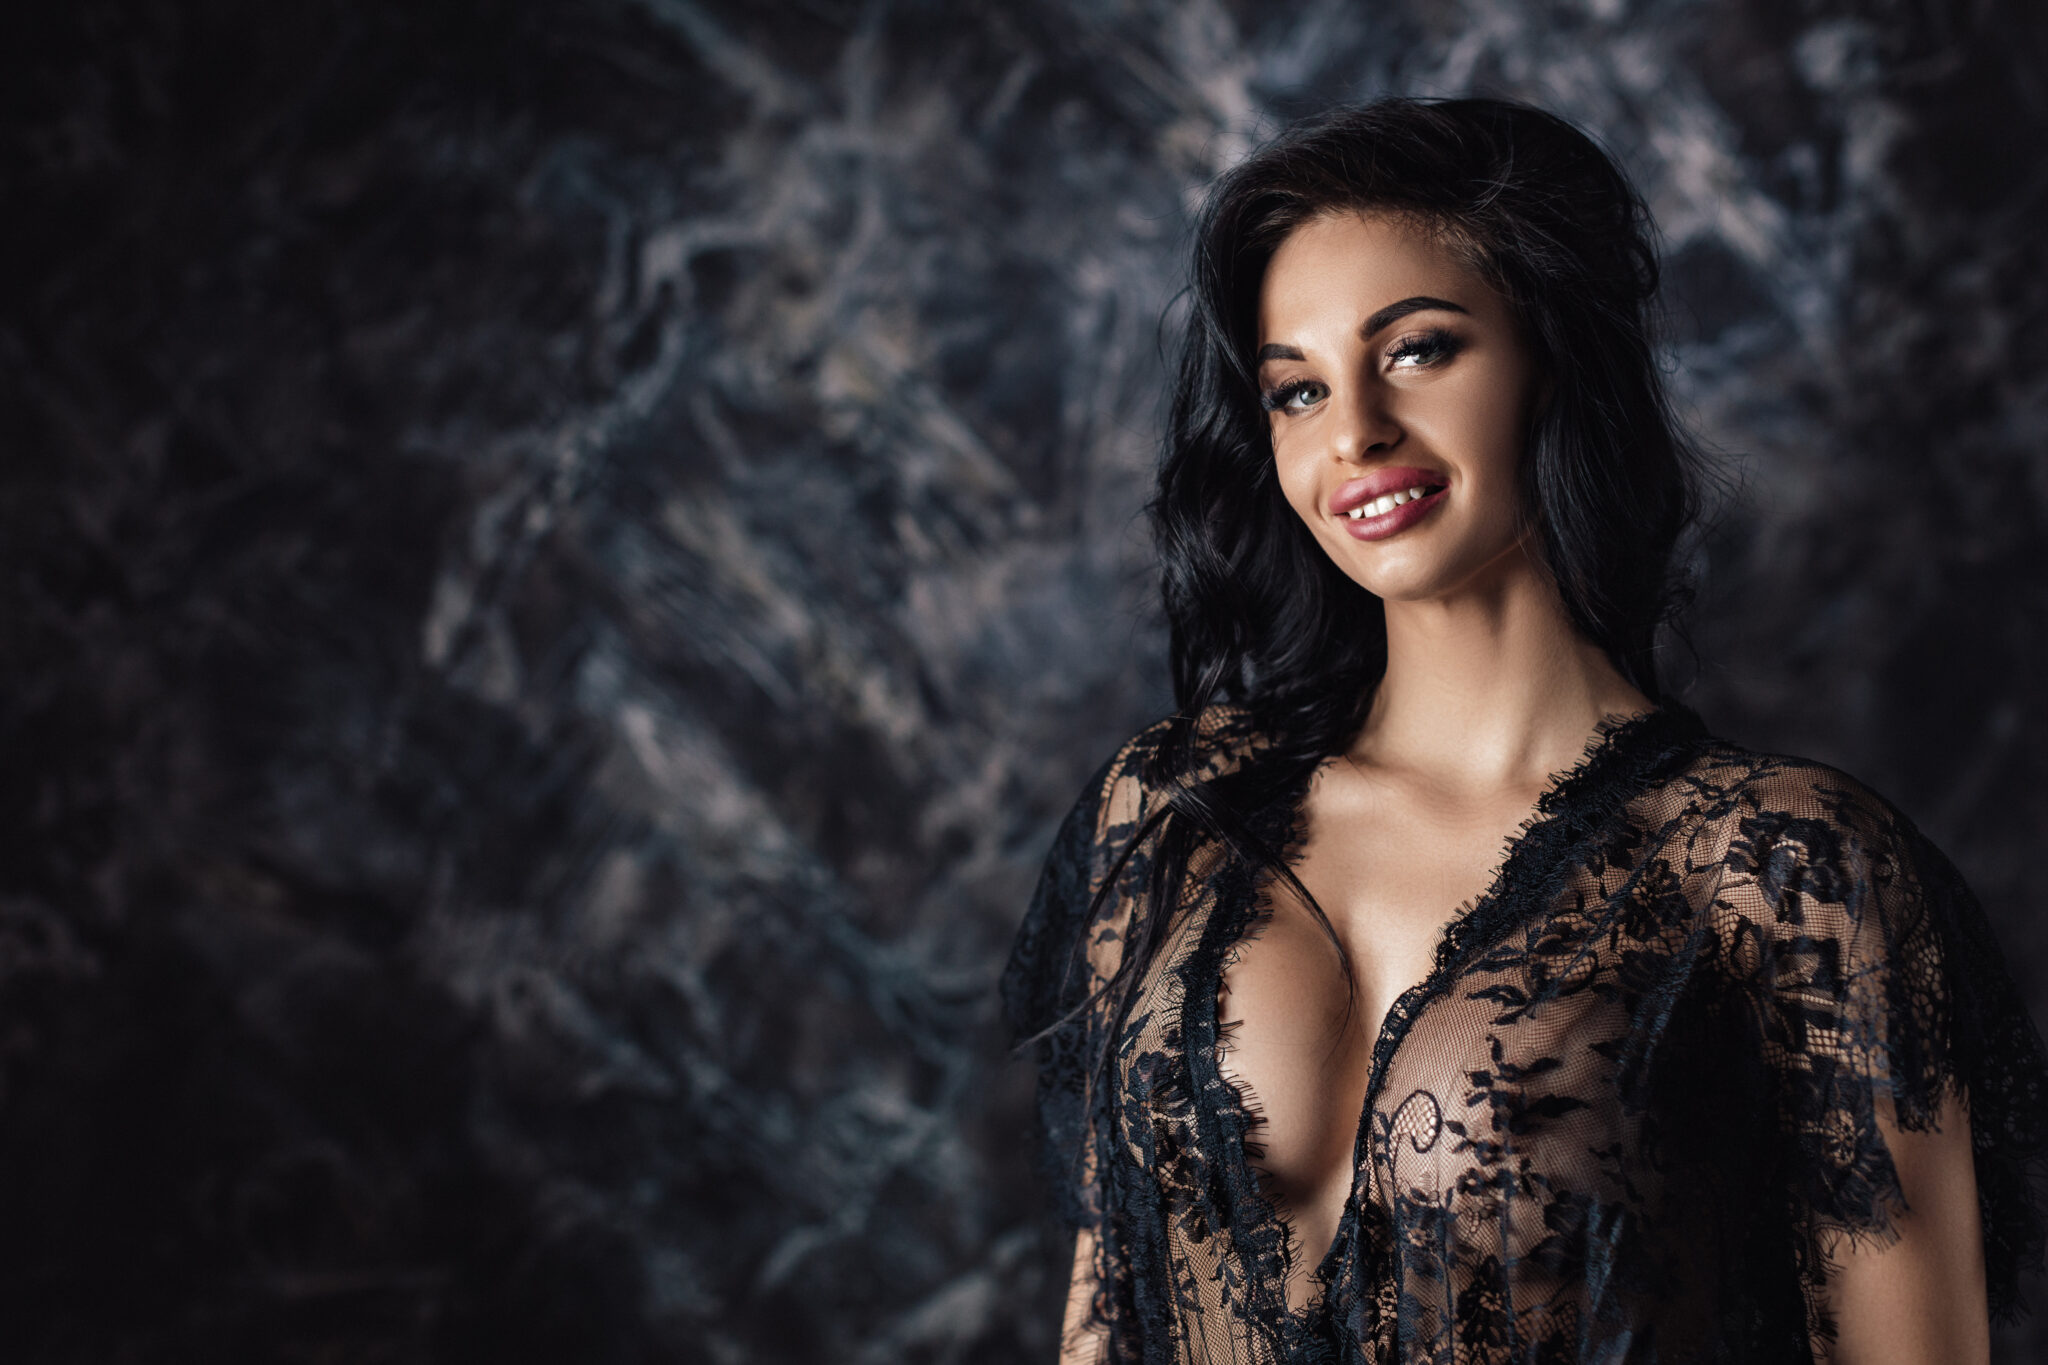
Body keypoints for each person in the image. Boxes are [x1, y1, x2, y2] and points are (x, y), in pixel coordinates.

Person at [1002, 97, 2048, 1365]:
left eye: (1416, 351)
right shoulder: (1176, 810)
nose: (1351, 433)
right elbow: (1104, 1315)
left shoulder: (1782, 868)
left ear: (1552, 357)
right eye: (1295, 390)